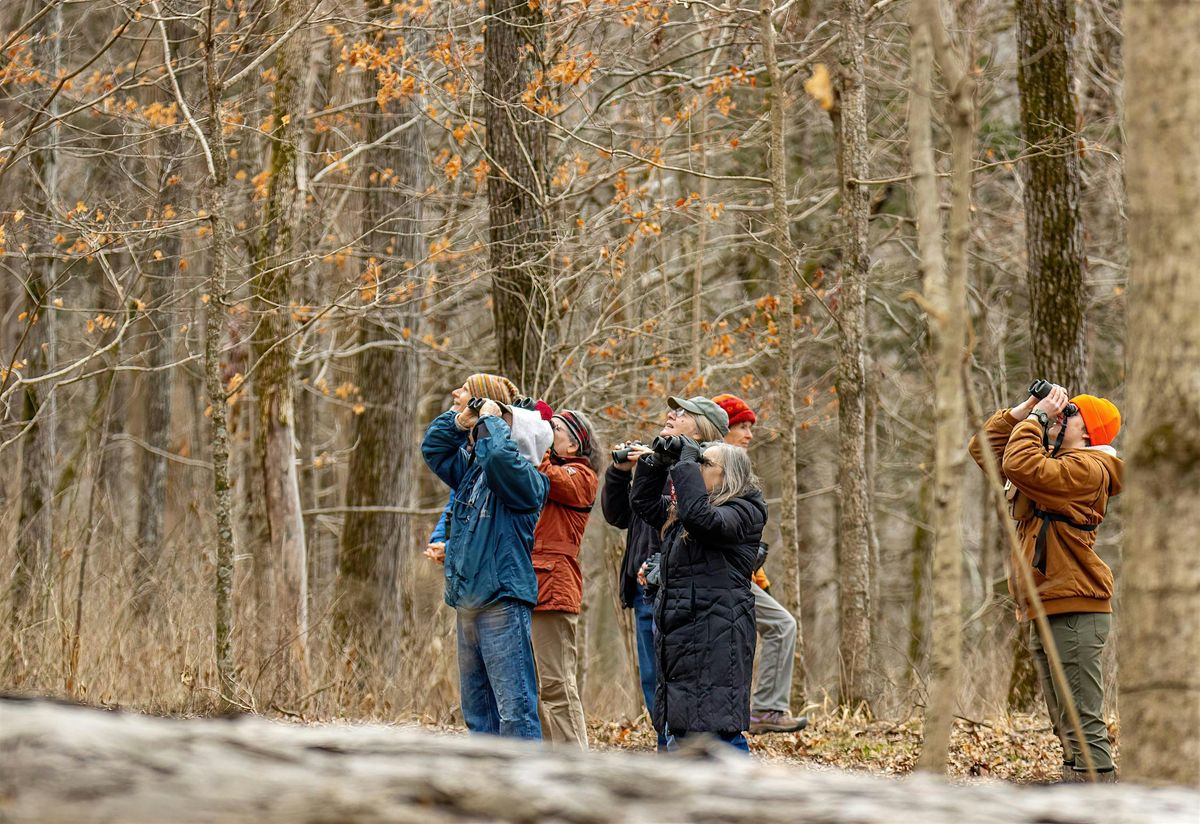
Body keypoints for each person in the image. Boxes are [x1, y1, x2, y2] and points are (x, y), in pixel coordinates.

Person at [968, 384, 1123, 782]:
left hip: (1075, 604)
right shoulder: (1053, 465)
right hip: (1046, 600)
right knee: (1062, 715)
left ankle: (1101, 791)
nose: (1059, 415)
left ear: (1088, 432)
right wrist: (1026, 409)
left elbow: (1020, 465)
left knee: (1082, 715)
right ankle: (1076, 783)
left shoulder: (1087, 469)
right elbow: (983, 447)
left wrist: (1037, 421)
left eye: (1067, 413)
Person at [421, 379, 552, 740]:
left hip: (502, 603)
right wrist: (460, 423)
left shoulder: (529, 480)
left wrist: (494, 419)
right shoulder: (472, 475)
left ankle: (527, 785)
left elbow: (498, 457)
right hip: (469, 602)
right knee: (478, 714)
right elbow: (433, 448)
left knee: (514, 711)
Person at [600, 396, 729, 748]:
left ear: (703, 428)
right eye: (673, 411)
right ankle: (666, 755)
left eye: (683, 414)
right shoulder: (658, 462)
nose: (671, 415)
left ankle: (685, 756)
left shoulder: (715, 470)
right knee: (654, 682)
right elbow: (621, 515)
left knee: (681, 683)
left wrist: (661, 566)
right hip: (645, 590)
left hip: (681, 591)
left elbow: (700, 523)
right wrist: (619, 473)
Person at [629, 436, 765, 753]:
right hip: (683, 637)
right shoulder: (687, 512)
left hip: (718, 639)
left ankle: (756, 797)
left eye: (705, 462)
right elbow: (644, 505)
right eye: (698, 461)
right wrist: (657, 463)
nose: (697, 467)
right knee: (685, 733)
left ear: (728, 475)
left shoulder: (746, 510)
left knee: (719, 735)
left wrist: (686, 463)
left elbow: (702, 520)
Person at [712, 394, 808, 735]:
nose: (749, 434)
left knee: (780, 626)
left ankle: (762, 709)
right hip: (716, 576)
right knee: (782, 626)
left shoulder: (736, 466)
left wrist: (757, 571)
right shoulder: (712, 467)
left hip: (737, 574)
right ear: (722, 427)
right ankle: (764, 708)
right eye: (741, 426)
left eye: (751, 427)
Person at [530, 410, 600, 749]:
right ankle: (552, 759)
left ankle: (575, 757)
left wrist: (534, 435)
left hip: (555, 587)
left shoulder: (581, 476)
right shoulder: (553, 467)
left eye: (554, 429)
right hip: (531, 584)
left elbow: (547, 476)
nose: (547, 432)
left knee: (556, 683)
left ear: (574, 442)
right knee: (537, 685)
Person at [425, 373, 522, 565]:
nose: (455, 392)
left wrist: (451, 546)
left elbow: (486, 523)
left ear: (480, 402)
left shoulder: (504, 463)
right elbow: (456, 503)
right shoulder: (469, 454)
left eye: (465, 389)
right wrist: (440, 540)